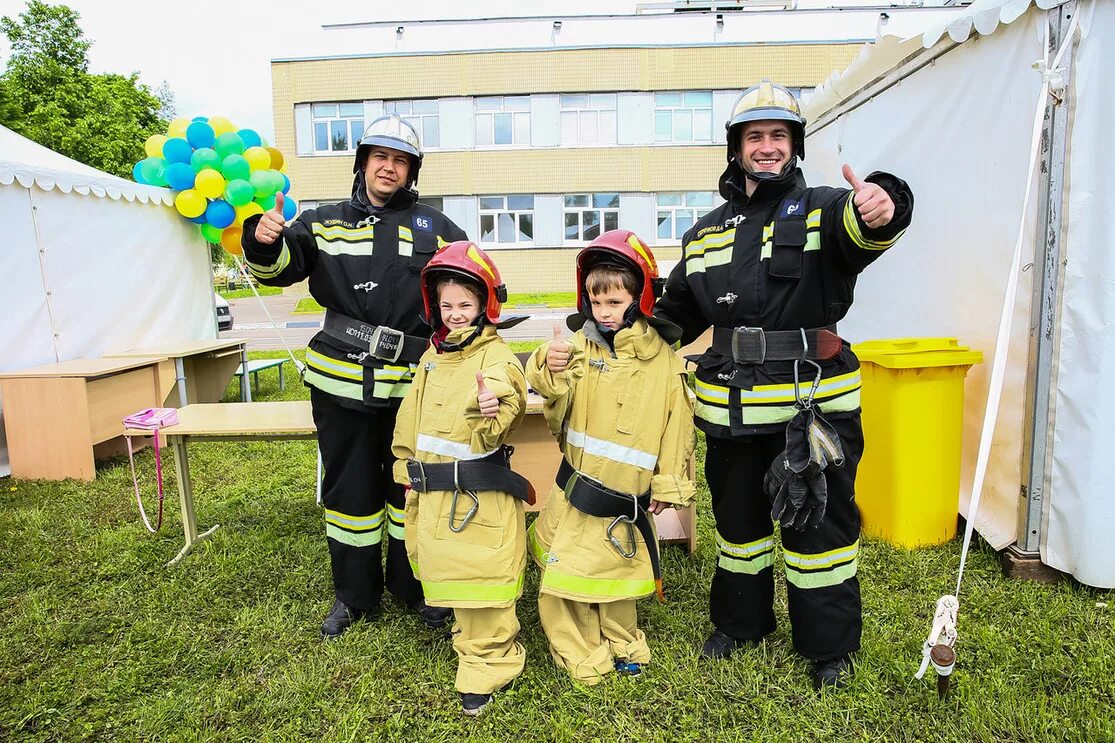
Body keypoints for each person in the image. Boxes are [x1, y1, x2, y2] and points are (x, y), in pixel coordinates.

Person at [654, 81, 914, 690]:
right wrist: (616, 326)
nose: (766, 147)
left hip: (812, 411)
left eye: (777, 136)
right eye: (754, 137)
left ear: (793, 145)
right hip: (730, 413)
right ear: (736, 147)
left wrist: (887, 202)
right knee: (739, 528)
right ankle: (743, 625)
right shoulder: (704, 233)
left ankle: (829, 649)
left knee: (817, 533)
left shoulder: (827, 208)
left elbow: (868, 226)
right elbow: (677, 314)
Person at [241, 114, 467, 638]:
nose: (389, 168)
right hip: (340, 385)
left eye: (401, 161)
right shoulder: (322, 221)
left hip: (415, 390)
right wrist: (264, 241)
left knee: (413, 489)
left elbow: (471, 285)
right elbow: (280, 270)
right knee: (349, 495)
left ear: (411, 172)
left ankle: (415, 590)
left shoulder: (436, 227)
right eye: (380, 157)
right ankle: (354, 597)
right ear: (363, 161)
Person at [525, 230, 695, 686]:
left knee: (618, 576)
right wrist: (549, 364)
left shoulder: (663, 359)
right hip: (576, 490)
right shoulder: (579, 345)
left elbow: (677, 426)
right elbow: (552, 398)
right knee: (564, 584)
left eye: (615, 303)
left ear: (639, 297)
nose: (604, 313)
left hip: (626, 496)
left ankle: (624, 641)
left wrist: (668, 485)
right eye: (596, 303)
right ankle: (584, 656)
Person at [390, 241, 531, 716]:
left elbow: (504, 392)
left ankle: (488, 665)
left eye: (465, 305)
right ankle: (465, 633)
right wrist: (406, 468)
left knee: (483, 579)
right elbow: (411, 419)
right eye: (447, 305)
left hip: (476, 494)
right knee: (445, 566)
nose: (455, 314)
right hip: (433, 489)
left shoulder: (495, 356)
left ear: (485, 305)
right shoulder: (434, 357)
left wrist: (491, 403)